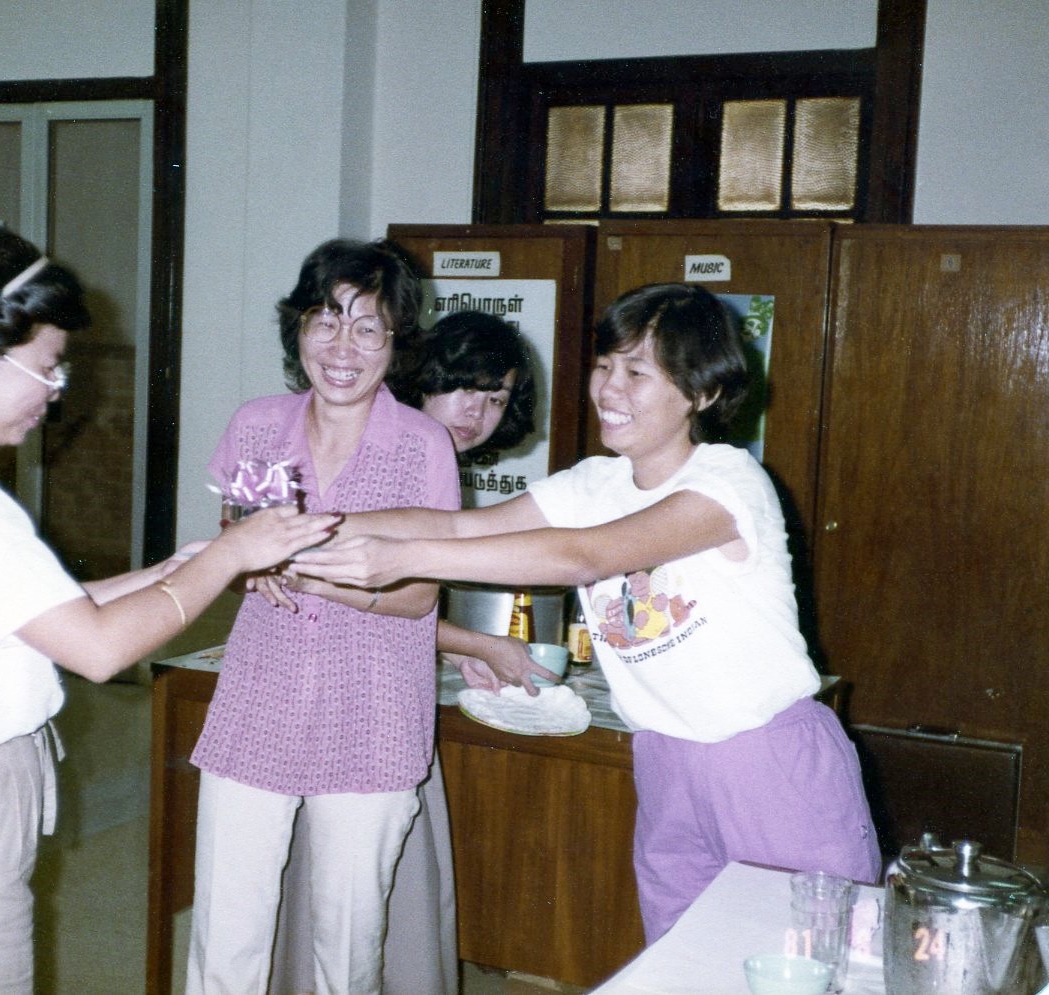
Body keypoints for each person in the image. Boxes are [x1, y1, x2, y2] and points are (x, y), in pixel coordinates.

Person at [0, 222, 336, 994]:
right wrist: (230, 553)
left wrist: (171, 571)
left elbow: (40, 612)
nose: (56, 394)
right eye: (48, 368)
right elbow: (94, 647)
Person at [293, 282, 882, 943]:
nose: (608, 388)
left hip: (766, 759)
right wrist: (312, 526)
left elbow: (581, 556)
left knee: (816, 962)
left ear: (704, 393)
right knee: (683, 963)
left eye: (637, 371)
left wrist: (396, 558)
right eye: (605, 366)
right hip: (665, 758)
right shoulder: (592, 483)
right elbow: (464, 530)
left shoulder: (727, 481)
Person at [184, 238, 460, 995]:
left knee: (348, 943)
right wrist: (246, 560)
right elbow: (233, 538)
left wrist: (305, 573)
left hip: (372, 711)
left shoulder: (423, 445)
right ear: (297, 329)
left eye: (368, 326)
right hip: (258, 698)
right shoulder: (255, 425)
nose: (343, 346)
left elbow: (419, 596)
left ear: (395, 342)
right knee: (225, 933)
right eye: (325, 320)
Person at [271, 308, 549, 995]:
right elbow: (346, 582)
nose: (477, 411)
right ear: (425, 375)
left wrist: (453, 648)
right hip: (334, 692)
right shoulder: (385, 448)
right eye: (465, 387)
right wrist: (472, 641)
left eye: (496, 397)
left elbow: (400, 595)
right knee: (346, 885)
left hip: (387, 687)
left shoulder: (434, 459)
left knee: (389, 880)